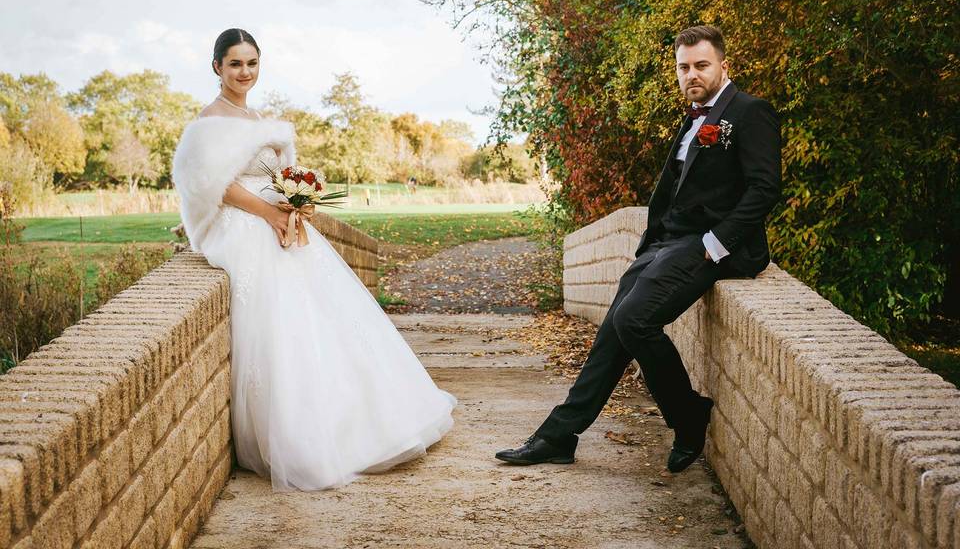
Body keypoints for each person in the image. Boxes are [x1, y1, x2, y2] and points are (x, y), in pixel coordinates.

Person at [172, 28, 456, 491]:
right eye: (235, 64)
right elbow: (214, 186)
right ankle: (302, 436)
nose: (245, 72)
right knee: (281, 323)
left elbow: (282, 174)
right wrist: (269, 213)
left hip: (281, 222)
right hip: (247, 225)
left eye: (252, 63)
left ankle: (359, 418)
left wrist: (297, 204)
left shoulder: (261, 117)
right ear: (217, 68)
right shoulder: (208, 123)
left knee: (327, 316)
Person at [495, 25, 781, 473]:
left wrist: (716, 243)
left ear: (724, 64)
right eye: (684, 67)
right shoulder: (693, 118)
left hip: (707, 245)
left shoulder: (749, 112)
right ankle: (558, 435)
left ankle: (688, 415)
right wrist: (652, 240)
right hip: (666, 243)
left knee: (634, 320)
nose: (692, 75)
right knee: (613, 331)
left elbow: (763, 189)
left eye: (701, 65)